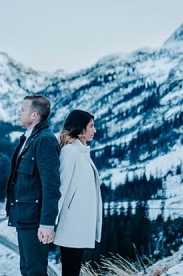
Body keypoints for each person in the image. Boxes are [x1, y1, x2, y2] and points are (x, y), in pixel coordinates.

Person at [6, 95, 61, 276]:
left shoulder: (44, 140)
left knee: (34, 271)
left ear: (34, 115)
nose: (19, 112)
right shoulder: (30, 138)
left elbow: (51, 186)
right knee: (27, 270)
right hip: (24, 216)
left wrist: (47, 223)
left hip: (35, 220)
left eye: (23, 109)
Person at [53, 109, 103, 276]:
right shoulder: (70, 152)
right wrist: (50, 222)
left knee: (73, 270)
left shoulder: (82, 152)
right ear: (80, 129)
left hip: (79, 223)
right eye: (91, 126)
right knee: (70, 270)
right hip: (71, 225)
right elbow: (61, 188)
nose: (94, 130)